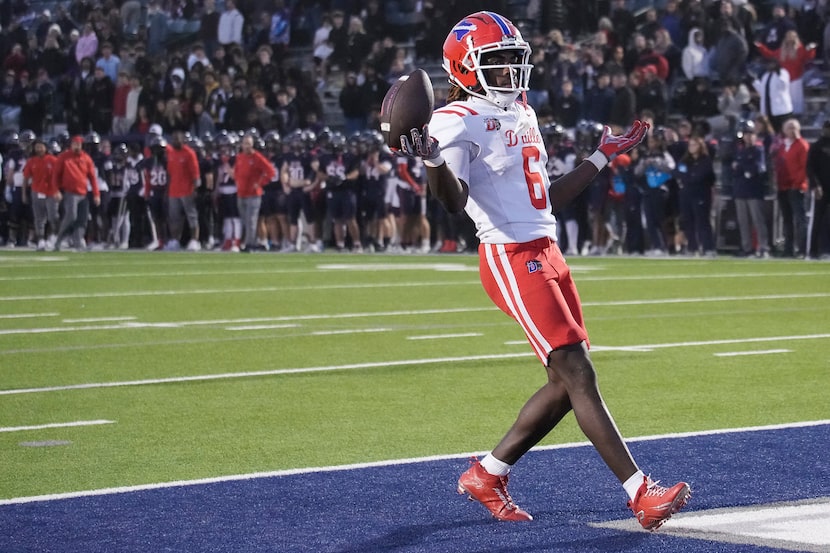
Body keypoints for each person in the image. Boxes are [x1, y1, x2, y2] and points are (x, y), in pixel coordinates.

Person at [397, 11, 690, 529]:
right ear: (465, 68)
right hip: (510, 256)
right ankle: (640, 492)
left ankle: (487, 473)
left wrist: (600, 158)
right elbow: (452, 202)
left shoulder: (522, 112)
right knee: (579, 371)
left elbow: (546, 198)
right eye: (498, 62)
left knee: (563, 382)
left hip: (547, 249)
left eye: (515, 60)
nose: (512, 71)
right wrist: (433, 164)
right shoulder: (453, 119)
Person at [52, 135, 100, 251]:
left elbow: (92, 177)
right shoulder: (64, 157)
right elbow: (55, 175)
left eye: (79, 144)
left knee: (82, 219)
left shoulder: (86, 158)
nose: (77, 146)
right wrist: (55, 190)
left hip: (83, 193)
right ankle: (60, 239)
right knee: (71, 216)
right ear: (71, 145)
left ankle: (78, 241)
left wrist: (96, 194)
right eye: (75, 144)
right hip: (70, 193)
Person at [731, 120, 771, 258]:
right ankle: (747, 248)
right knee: (743, 222)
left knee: (758, 220)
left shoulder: (758, 150)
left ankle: (763, 247)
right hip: (741, 189)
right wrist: (745, 170)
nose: (748, 137)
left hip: (754, 190)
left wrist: (744, 169)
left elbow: (758, 169)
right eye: (746, 134)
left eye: (750, 134)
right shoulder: (740, 151)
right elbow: (735, 170)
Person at [772, 117, 810, 257]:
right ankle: (788, 249)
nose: (792, 131)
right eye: (789, 128)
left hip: (796, 187)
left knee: (799, 219)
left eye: (794, 128)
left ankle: (802, 249)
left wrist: (797, 184)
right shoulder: (783, 146)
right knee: (787, 220)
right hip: (784, 187)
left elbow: (804, 168)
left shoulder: (802, 145)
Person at [234, 132, 276, 252]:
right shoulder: (240, 157)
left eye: (249, 144)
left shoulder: (257, 157)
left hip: (253, 194)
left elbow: (270, 172)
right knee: (245, 220)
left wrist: (260, 183)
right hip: (241, 193)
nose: (247, 146)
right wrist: (237, 181)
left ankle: (250, 244)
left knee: (251, 220)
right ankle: (250, 241)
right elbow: (237, 171)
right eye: (245, 144)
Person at [165, 130, 201, 251]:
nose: (175, 142)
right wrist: (167, 189)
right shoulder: (170, 153)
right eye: (174, 140)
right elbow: (169, 173)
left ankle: (195, 240)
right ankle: (175, 240)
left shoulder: (189, 153)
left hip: (187, 190)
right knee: (174, 218)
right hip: (173, 190)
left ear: (183, 141)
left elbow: (195, 173)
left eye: (177, 140)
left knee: (191, 216)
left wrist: (195, 189)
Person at [23, 137, 60, 250]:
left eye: (41, 146)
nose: (39, 149)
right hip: (36, 191)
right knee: (39, 218)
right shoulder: (31, 161)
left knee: (53, 216)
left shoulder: (53, 160)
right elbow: (26, 178)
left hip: (51, 192)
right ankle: (40, 240)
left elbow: (58, 177)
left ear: (45, 147)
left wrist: (57, 191)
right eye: (37, 147)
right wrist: (24, 194)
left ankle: (54, 236)